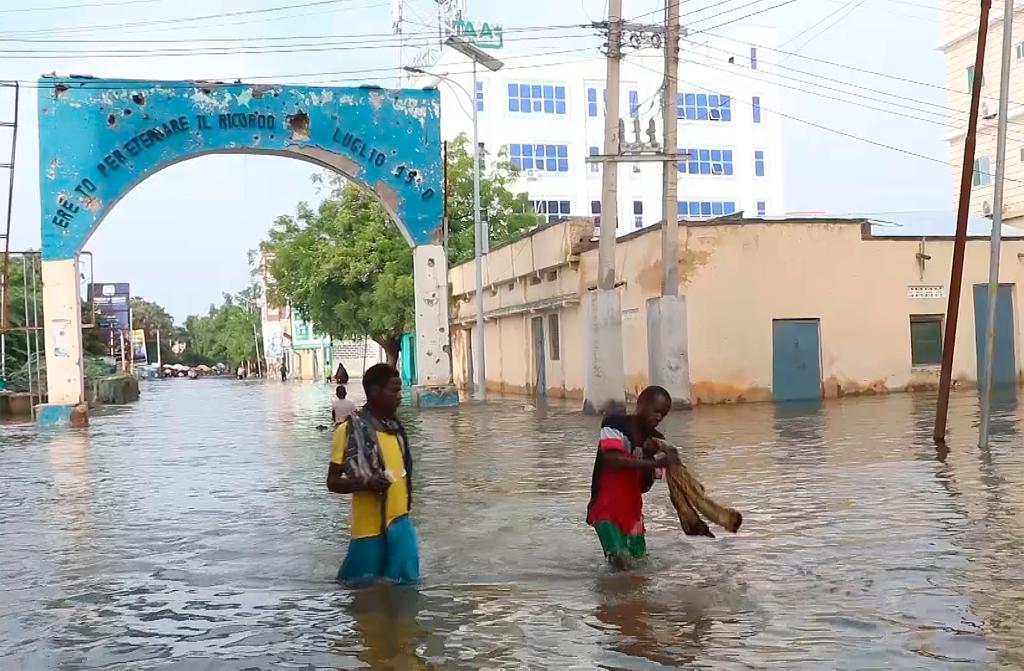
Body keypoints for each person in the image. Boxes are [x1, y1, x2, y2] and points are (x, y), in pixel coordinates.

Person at [326, 363, 418, 584]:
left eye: (400, 390)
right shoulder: (347, 431)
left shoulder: (395, 429)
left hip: (400, 525)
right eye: (394, 390)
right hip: (368, 533)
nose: (400, 396)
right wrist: (365, 483)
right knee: (363, 596)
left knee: (407, 594)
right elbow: (332, 482)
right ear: (375, 391)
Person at [586, 385, 678, 570]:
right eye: (656, 411)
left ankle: (633, 599)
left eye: (664, 414)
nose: (659, 417)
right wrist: (655, 463)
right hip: (605, 507)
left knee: (639, 568)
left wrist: (649, 455)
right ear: (641, 404)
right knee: (620, 562)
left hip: (633, 512)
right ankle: (611, 598)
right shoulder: (614, 424)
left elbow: (644, 487)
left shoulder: (658, 441)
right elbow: (612, 459)